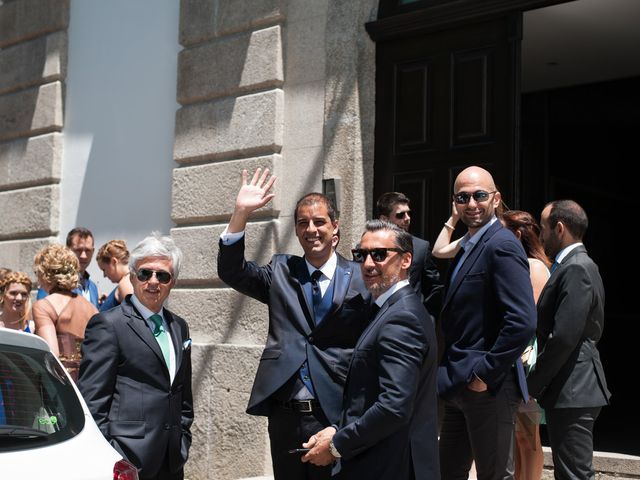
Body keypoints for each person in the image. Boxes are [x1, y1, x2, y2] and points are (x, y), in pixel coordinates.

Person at [217, 168, 371, 480]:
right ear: (297, 231)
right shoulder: (281, 270)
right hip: (285, 416)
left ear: (335, 227)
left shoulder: (360, 276)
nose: (311, 229)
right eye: (303, 223)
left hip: (334, 412)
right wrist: (241, 214)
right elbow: (232, 272)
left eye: (319, 222)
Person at [302, 220, 439, 479]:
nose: (367, 264)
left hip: (391, 465)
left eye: (379, 254)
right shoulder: (387, 309)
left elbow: (393, 406)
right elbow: (368, 394)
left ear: (406, 260)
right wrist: (337, 429)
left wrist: (337, 446)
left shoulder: (402, 317)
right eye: (360, 255)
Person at [434, 207, 551, 480]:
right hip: (460, 381)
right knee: (452, 468)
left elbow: (523, 321)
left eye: (479, 195)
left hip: (502, 374)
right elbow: (439, 250)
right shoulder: (472, 249)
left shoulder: (513, 253)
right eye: (462, 197)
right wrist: (452, 219)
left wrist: (485, 372)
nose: (471, 203)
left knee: (521, 445)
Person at [78, 233, 193, 480]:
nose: (153, 281)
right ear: (132, 276)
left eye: (162, 275)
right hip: (127, 460)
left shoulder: (179, 327)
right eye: (145, 273)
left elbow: (182, 393)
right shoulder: (108, 325)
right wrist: (110, 455)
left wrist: (183, 436)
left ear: (172, 282)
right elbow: (93, 400)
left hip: (172, 459)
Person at [527, 200, 610, 480]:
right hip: (570, 389)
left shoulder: (576, 267)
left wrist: (533, 383)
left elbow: (564, 336)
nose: (540, 236)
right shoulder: (574, 265)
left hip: (574, 389)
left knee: (574, 474)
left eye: (543, 228)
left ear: (559, 229)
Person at [32, 244, 98, 381]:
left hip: (62, 387)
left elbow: (51, 356)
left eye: (38, 273)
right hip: (89, 383)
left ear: (45, 274)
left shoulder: (44, 306)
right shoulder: (91, 308)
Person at [376, 192, 442, 316]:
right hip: (377, 319)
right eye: (400, 215)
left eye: (409, 213)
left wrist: (428, 318)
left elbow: (434, 288)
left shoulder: (421, 247)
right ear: (384, 219)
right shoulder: (368, 248)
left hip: (412, 318)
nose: (407, 218)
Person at [36, 227, 100, 308]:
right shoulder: (53, 282)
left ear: (93, 251)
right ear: (67, 250)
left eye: (87, 250)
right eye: (78, 250)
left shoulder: (93, 288)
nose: (83, 256)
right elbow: (44, 310)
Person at [96, 239, 134, 312]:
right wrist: (109, 301)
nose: (104, 275)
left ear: (113, 262)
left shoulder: (125, 284)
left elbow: (134, 319)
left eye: (104, 270)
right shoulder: (128, 281)